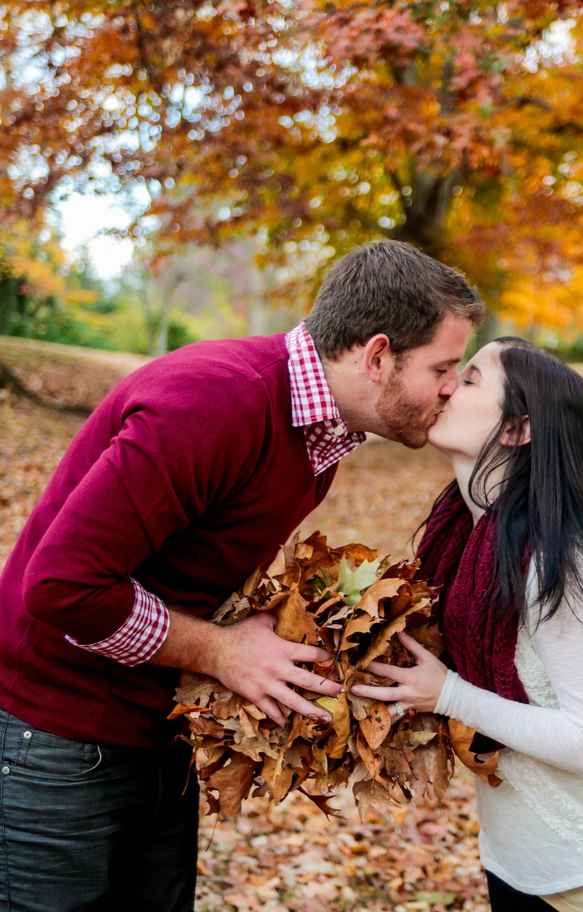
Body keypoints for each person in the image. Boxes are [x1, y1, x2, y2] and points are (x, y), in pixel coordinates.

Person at [0, 240, 483, 912]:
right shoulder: (215, 403)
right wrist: (223, 650)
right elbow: (62, 586)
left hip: (153, 731)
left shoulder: (318, 435)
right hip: (55, 736)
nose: (452, 385)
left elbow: (188, 568)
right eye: (444, 365)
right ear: (377, 356)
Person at [352, 337, 583, 911]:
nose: (448, 384)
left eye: (471, 379)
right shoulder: (465, 538)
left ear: (517, 429)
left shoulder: (558, 564)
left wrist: (449, 695)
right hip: (518, 858)